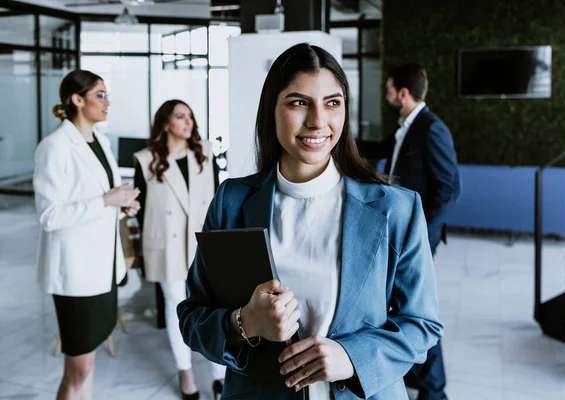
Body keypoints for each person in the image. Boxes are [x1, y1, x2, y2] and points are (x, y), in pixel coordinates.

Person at [177, 43, 443, 400]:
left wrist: (352, 357)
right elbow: (192, 316)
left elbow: (422, 325)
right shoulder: (232, 201)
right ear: (271, 109)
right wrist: (245, 322)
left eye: (332, 103)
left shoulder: (396, 208)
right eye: (299, 102)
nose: (318, 120)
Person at [34, 70, 140, 400]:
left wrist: (119, 206)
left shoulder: (100, 142)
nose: (108, 102)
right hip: (76, 274)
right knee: (78, 369)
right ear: (77, 100)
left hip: (103, 270)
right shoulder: (54, 147)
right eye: (100, 95)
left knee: (90, 364)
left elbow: (97, 199)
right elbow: (50, 216)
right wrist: (106, 201)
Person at [359, 63, 460, 400]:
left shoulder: (432, 129)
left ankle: (435, 391)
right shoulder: (407, 127)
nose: (388, 97)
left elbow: (449, 188)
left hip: (416, 239)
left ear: (403, 93)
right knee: (402, 305)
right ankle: (419, 376)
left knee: (418, 311)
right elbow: (377, 148)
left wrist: (422, 236)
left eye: (389, 90)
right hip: (400, 235)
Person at [133, 100, 225, 400]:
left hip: (203, 243)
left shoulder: (205, 153)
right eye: (181, 116)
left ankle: (220, 374)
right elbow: (141, 208)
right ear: (165, 123)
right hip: (166, 244)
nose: (189, 122)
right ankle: (185, 374)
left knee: (212, 306)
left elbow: (215, 201)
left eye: (191, 117)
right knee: (175, 306)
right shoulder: (145, 160)